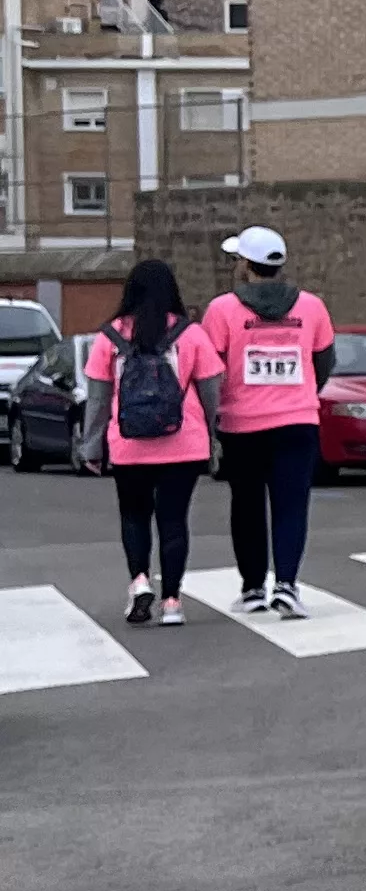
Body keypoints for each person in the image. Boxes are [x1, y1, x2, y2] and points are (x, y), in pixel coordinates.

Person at [200, 225, 337, 619]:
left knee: (246, 506)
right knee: (292, 505)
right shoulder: (312, 307)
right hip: (297, 420)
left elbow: (212, 368)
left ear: (246, 265)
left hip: (241, 423)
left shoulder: (222, 310)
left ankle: (253, 588)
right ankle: (288, 586)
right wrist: (303, 392)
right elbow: (324, 361)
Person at [83, 258, 222, 626]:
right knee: (174, 521)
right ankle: (173, 601)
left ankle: (140, 581)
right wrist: (213, 436)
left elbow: (97, 401)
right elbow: (211, 393)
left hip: (128, 444)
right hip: (184, 443)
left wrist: (91, 447)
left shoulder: (109, 338)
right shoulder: (190, 335)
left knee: (134, 516)